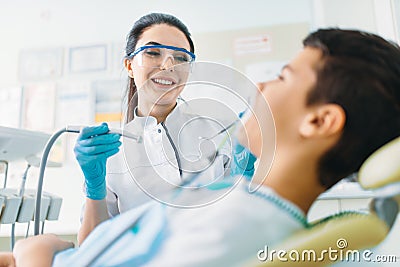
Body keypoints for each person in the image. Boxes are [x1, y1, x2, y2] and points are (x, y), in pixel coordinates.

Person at [2, 28, 399, 267]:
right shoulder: (243, 207)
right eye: (152, 53)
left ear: (319, 121)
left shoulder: (236, 219)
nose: (260, 87)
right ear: (129, 65)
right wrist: (91, 192)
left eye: (281, 76)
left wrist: (36, 255)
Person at [75, 12, 256, 245]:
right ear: (129, 65)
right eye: (153, 53)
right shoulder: (111, 151)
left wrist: (245, 175)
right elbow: (89, 248)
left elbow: (245, 222)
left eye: (181, 58)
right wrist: (94, 188)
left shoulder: (218, 131)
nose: (168, 65)